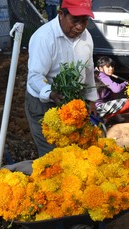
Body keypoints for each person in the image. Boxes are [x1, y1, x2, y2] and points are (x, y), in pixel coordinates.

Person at [25, 0, 98, 157]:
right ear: (61, 14)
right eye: (74, 20)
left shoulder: (87, 38)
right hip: (43, 103)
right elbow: (35, 76)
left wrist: (91, 100)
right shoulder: (44, 37)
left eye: (84, 20)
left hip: (72, 102)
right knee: (52, 156)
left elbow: (88, 69)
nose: (79, 26)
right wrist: (51, 93)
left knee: (74, 152)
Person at [94, 56, 129, 122]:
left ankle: (113, 117)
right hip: (97, 109)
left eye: (112, 66)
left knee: (110, 93)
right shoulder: (102, 75)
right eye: (108, 67)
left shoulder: (95, 72)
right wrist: (125, 84)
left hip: (93, 108)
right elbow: (116, 89)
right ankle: (103, 117)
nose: (111, 69)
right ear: (101, 68)